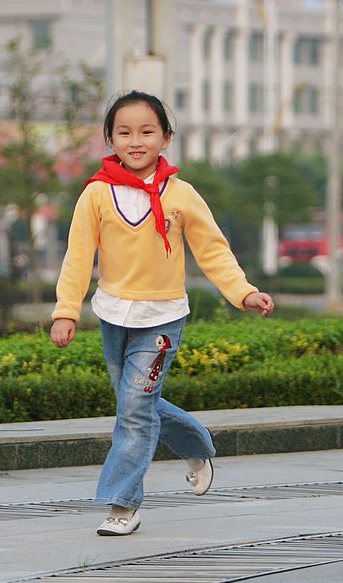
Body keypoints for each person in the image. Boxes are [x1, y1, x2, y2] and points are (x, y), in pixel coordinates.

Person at [50, 90, 274, 536]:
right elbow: (78, 256)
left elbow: (213, 249)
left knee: (133, 409)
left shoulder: (182, 194)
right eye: (125, 132)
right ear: (110, 140)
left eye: (147, 131)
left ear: (166, 138)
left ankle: (122, 504)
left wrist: (242, 292)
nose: (136, 140)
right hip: (114, 314)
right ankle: (196, 445)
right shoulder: (95, 194)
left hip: (163, 319)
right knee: (135, 402)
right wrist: (66, 311)